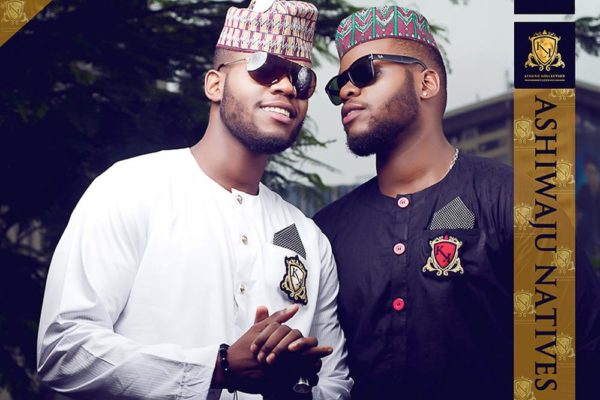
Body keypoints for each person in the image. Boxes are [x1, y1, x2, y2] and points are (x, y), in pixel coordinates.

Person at [36, 1, 352, 399]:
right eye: (264, 68)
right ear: (215, 85)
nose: (287, 87)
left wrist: (289, 390)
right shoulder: (132, 188)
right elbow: (64, 349)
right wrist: (217, 368)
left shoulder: (307, 239)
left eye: (301, 80)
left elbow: (335, 383)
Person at [314, 5, 600, 400]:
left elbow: (578, 355)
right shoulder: (326, 232)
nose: (347, 91)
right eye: (338, 85)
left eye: (365, 73)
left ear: (427, 82)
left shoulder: (516, 201)